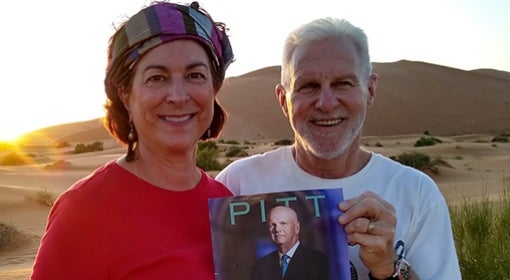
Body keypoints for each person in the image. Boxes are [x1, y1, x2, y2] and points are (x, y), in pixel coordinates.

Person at [216, 17, 461, 280]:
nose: (326, 102)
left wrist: (389, 266)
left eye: (343, 83)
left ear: (370, 90)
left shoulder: (417, 194)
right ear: (283, 100)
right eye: (307, 86)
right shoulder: (237, 183)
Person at [31, 1, 234, 279]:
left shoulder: (226, 204)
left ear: (214, 88)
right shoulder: (84, 211)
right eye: (157, 78)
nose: (177, 95)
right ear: (126, 95)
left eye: (195, 75)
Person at [250, 206, 329, 280]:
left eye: (283, 223)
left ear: (296, 228)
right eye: (272, 225)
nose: (277, 229)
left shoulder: (319, 261)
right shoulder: (261, 266)